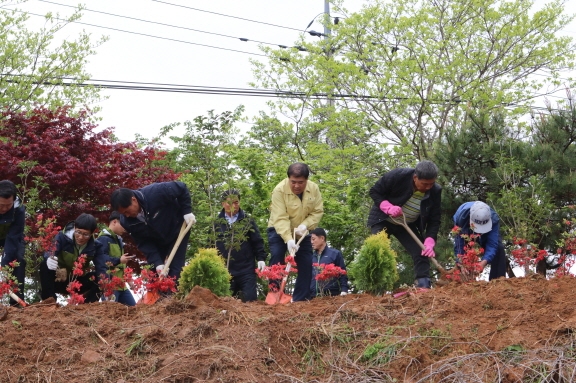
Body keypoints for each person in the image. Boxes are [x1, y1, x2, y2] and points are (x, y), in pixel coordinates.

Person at [367, 160, 442, 288]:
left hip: (407, 224)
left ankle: (423, 286)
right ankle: (375, 288)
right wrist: (388, 207)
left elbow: (434, 219)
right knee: (378, 251)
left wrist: (429, 241)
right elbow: (375, 191)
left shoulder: (435, 191)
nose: (428, 187)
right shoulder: (398, 175)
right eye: (425, 184)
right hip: (384, 219)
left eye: (431, 183)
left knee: (421, 252)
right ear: (415, 178)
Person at [110, 181, 195, 284]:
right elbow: (143, 242)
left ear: (134, 200)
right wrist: (158, 263)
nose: (126, 215)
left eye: (127, 211)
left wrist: (187, 211)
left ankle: (175, 298)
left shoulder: (155, 192)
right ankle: (162, 299)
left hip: (177, 229)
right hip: (156, 240)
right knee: (156, 273)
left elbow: (181, 187)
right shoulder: (126, 222)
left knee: (174, 270)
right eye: (123, 214)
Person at [268, 162, 324, 302]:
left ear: (306, 180)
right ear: (288, 179)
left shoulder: (314, 189)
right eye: (293, 182)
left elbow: (317, 212)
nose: (297, 186)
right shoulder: (279, 190)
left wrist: (305, 226)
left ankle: (300, 299)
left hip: (302, 231)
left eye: (301, 182)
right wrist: (288, 239)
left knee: (305, 261)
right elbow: (280, 218)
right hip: (278, 229)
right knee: (277, 256)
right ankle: (274, 296)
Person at [214, 189, 267, 302]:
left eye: (236, 202)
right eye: (230, 202)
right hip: (224, 271)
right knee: (224, 304)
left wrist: (261, 258)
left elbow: (257, 241)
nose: (234, 205)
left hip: (246, 269)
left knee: (251, 301)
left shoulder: (247, 221)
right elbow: (211, 245)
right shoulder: (216, 224)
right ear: (223, 204)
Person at [39, 213, 100, 303]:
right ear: (74, 227)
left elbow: (102, 265)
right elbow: (51, 250)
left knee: (101, 275)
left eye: (86, 234)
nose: (80, 237)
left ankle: (88, 305)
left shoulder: (95, 246)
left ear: (92, 232)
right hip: (58, 279)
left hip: (77, 282)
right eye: (78, 232)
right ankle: (49, 301)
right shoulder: (62, 237)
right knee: (44, 264)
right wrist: (49, 257)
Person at [453, 201, 507, 280]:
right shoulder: (461, 218)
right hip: (466, 227)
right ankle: (467, 280)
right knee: (465, 254)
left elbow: (492, 244)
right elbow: (459, 245)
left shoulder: (493, 219)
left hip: (488, 230)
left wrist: (484, 262)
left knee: (499, 248)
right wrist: (461, 264)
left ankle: (498, 282)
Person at [95, 211, 137, 306]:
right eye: (124, 225)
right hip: (110, 285)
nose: (126, 229)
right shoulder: (103, 239)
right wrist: (119, 260)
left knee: (133, 310)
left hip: (122, 286)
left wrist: (129, 279)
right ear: (114, 222)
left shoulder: (118, 240)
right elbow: (101, 260)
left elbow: (122, 264)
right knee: (110, 313)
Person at [0, 180, 26, 306]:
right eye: (1, 205)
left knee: (17, 260)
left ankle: (16, 305)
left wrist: (5, 266)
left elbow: (13, 239)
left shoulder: (19, 210)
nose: (4, 208)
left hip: (12, 237)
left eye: (8, 205)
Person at [309, 227, 349, 297]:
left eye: (313, 239)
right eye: (310, 240)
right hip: (313, 297)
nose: (311, 242)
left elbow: (342, 273)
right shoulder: (311, 256)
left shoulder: (335, 254)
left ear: (322, 238)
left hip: (332, 296)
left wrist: (344, 290)